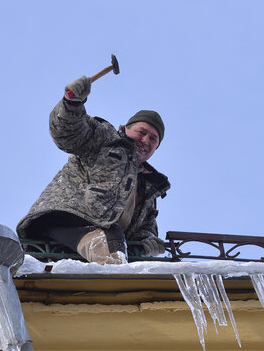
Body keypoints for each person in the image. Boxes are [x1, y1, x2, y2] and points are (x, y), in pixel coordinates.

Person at [16, 75, 170, 265]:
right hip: (66, 218)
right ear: (127, 129)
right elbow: (69, 132)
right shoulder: (108, 140)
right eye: (141, 132)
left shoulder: (149, 188)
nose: (145, 140)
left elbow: (144, 227)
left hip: (102, 237)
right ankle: (115, 284)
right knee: (111, 242)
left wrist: (147, 242)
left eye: (153, 139)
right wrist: (71, 103)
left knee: (115, 240)